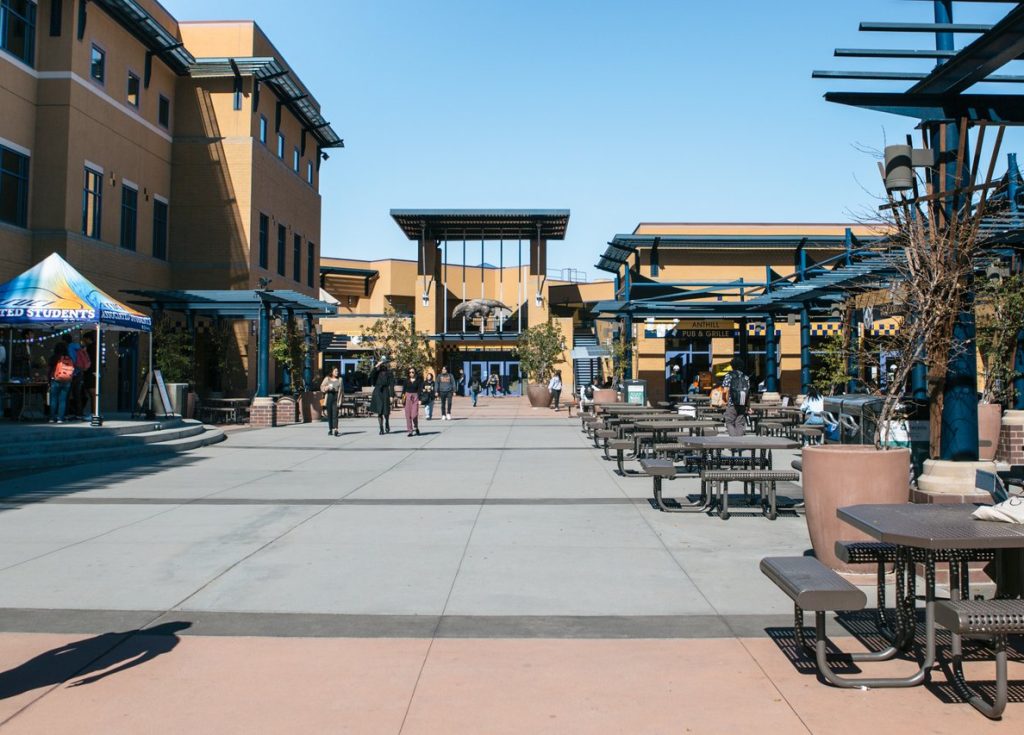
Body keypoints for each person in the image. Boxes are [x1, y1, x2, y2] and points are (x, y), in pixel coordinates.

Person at [721, 357, 750, 437]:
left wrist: (725, 401)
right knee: (740, 424)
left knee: (729, 422)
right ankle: (739, 445)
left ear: (732, 365)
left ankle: (734, 444)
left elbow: (725, 391)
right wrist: (748, 406)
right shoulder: (746, 377)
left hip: (732, 403)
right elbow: (748, 393)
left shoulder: (728, 376)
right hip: (742, 404)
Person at [368, 357, 395, 435]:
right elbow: (371, 375)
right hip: (378, 392)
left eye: (385, 362)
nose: (383, 364)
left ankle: (387, 422)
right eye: (382, 362)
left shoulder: (389, 372)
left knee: (386, 411)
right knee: (379, 411)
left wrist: (391, 395)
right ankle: (381, 428)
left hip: (386, 391)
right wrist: (376, 366)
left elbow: (392, 384)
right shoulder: (376, 372)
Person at [48, 342, 73, 423]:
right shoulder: (68, 357)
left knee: (54, 399)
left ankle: (52, 418)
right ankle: (60, 418)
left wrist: (48, 380)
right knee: (63, 400)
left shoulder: (54, 358)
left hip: (55, 379)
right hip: (66, 380)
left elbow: (49, 369)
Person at [320, 366, 343, 437]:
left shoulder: (340, 379)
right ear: (332, 372)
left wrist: (340, 401)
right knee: (329, 414)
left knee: (335, 414)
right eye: (335, 371)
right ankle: (330, 429)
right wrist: (326, 388)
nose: (337, 372)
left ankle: (336, 429)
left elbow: (342, 391)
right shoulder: (327, 378)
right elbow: (321, 387)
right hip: (329, 396)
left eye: (337, 371)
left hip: (336, 397)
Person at [402, 367, 423, 437]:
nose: (411, 373)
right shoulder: (406, 380)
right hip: (407, 397)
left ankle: (416, 427)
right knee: (408, 415)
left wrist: (420, 399)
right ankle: (410, 431)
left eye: (412, 372)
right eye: (410, 372)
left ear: (415, 372)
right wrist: (402, 398)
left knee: (414, 415)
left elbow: (420, 390)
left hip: (415, 397)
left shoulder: (419, 380)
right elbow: (403, 390)